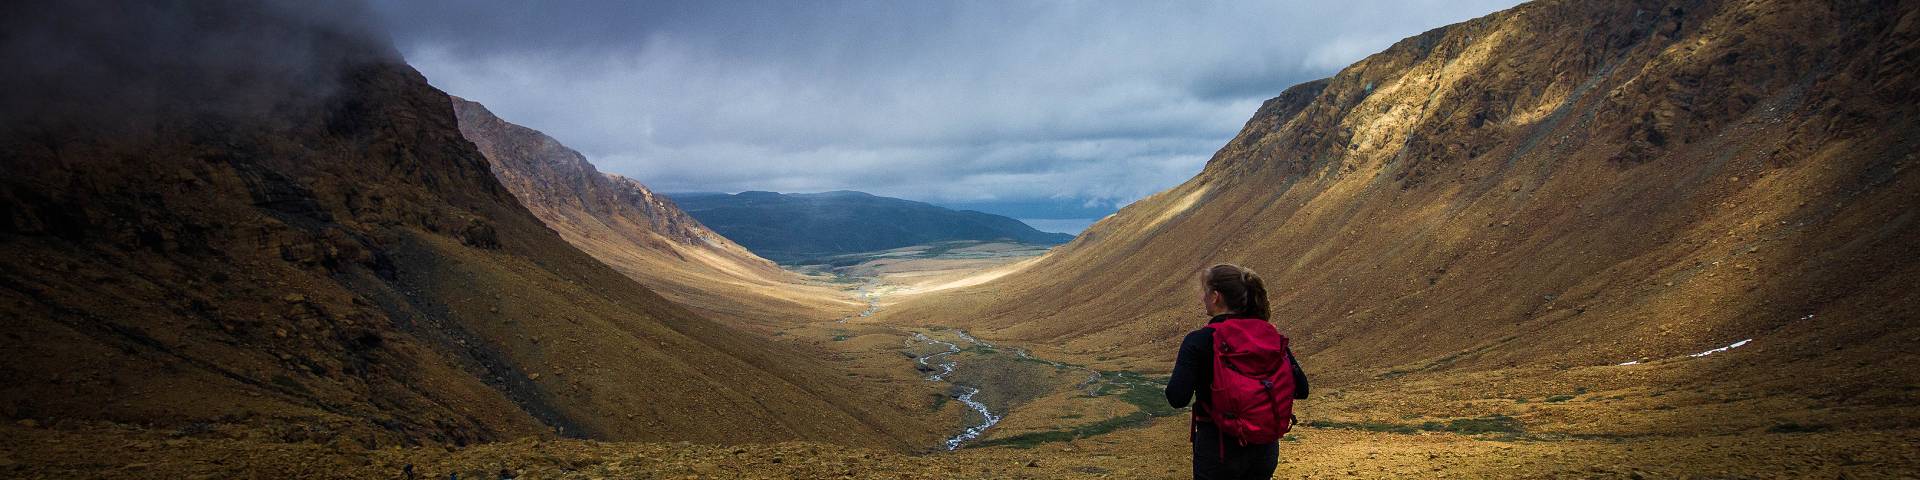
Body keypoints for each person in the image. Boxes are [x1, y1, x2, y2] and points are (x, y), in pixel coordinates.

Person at [1165, 264, 1309, 480]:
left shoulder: (1199, 340)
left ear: (1215, 297)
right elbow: (1301, 388)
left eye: (1205, 292)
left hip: (1218, 451)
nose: (1202, 297)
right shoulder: (1268, 335)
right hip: (1264, 452)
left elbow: (1177, 397)